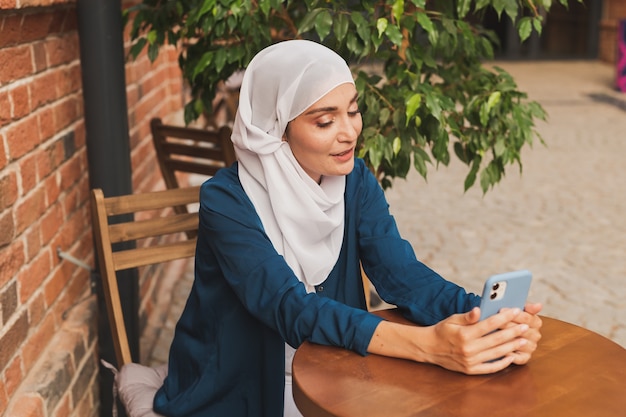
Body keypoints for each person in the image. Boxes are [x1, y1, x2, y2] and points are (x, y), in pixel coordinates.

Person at [153, 39, 542, 417]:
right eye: (325, 120)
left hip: (332, 370)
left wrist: (485, 315)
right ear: (276, 130)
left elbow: (402, 276)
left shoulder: (355, 181)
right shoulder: (225, 199)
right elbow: (289, 308)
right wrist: (427, 346)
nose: (349, 132)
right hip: (239, 387)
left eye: (352, 112)